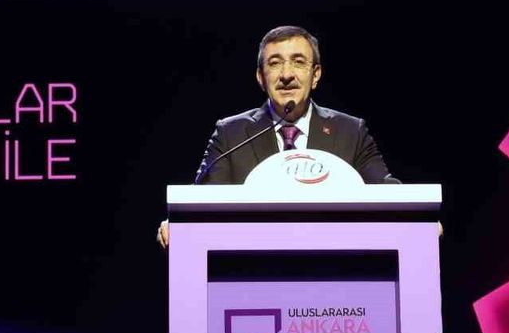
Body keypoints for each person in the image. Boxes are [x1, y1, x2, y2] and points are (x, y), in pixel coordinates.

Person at [157, 25, 399, 248]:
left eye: (298, 62)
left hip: (334, 261)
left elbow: (389, 194)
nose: (286, 75)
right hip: (253, 265)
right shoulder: (231, 134)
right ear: (261, 78)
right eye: (274, 63)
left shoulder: (350, 132)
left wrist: (416, 215)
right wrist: (180, 222)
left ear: (315, 75)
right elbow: (204, 201)